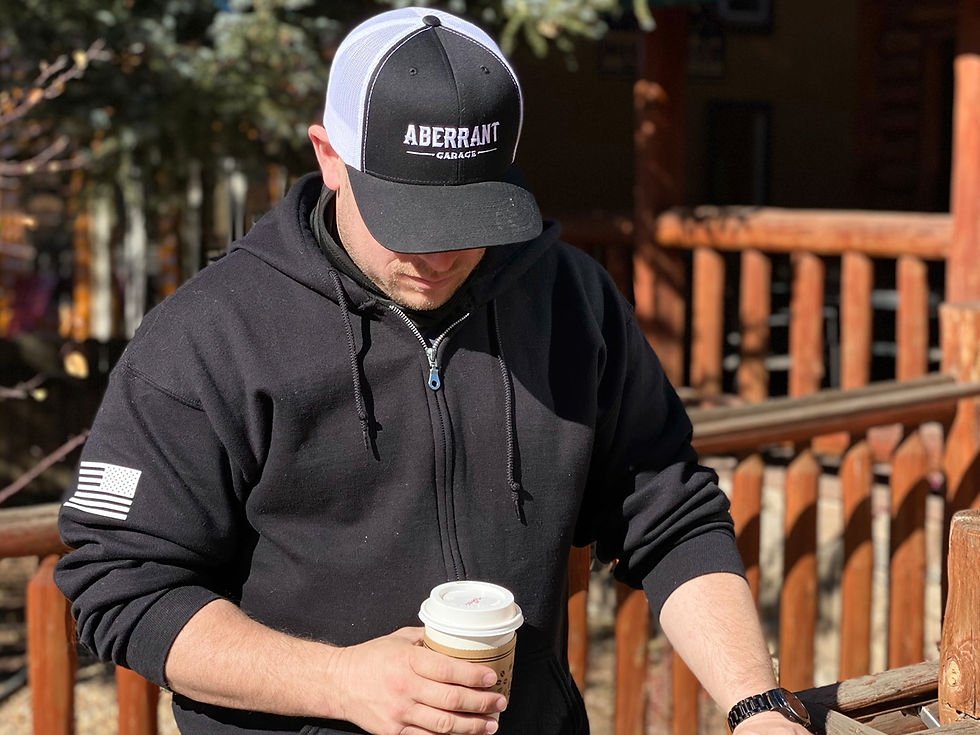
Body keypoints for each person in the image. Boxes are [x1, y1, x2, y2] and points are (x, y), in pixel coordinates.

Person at [54, 7, 811, 735]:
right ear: (329, 157)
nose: (438, 255)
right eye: (407, 217)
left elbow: (670, 514)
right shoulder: (211, 334)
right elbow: (120, 583)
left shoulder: (572, 302)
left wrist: (756, 705)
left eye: (468, 218)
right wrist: (341, 681)